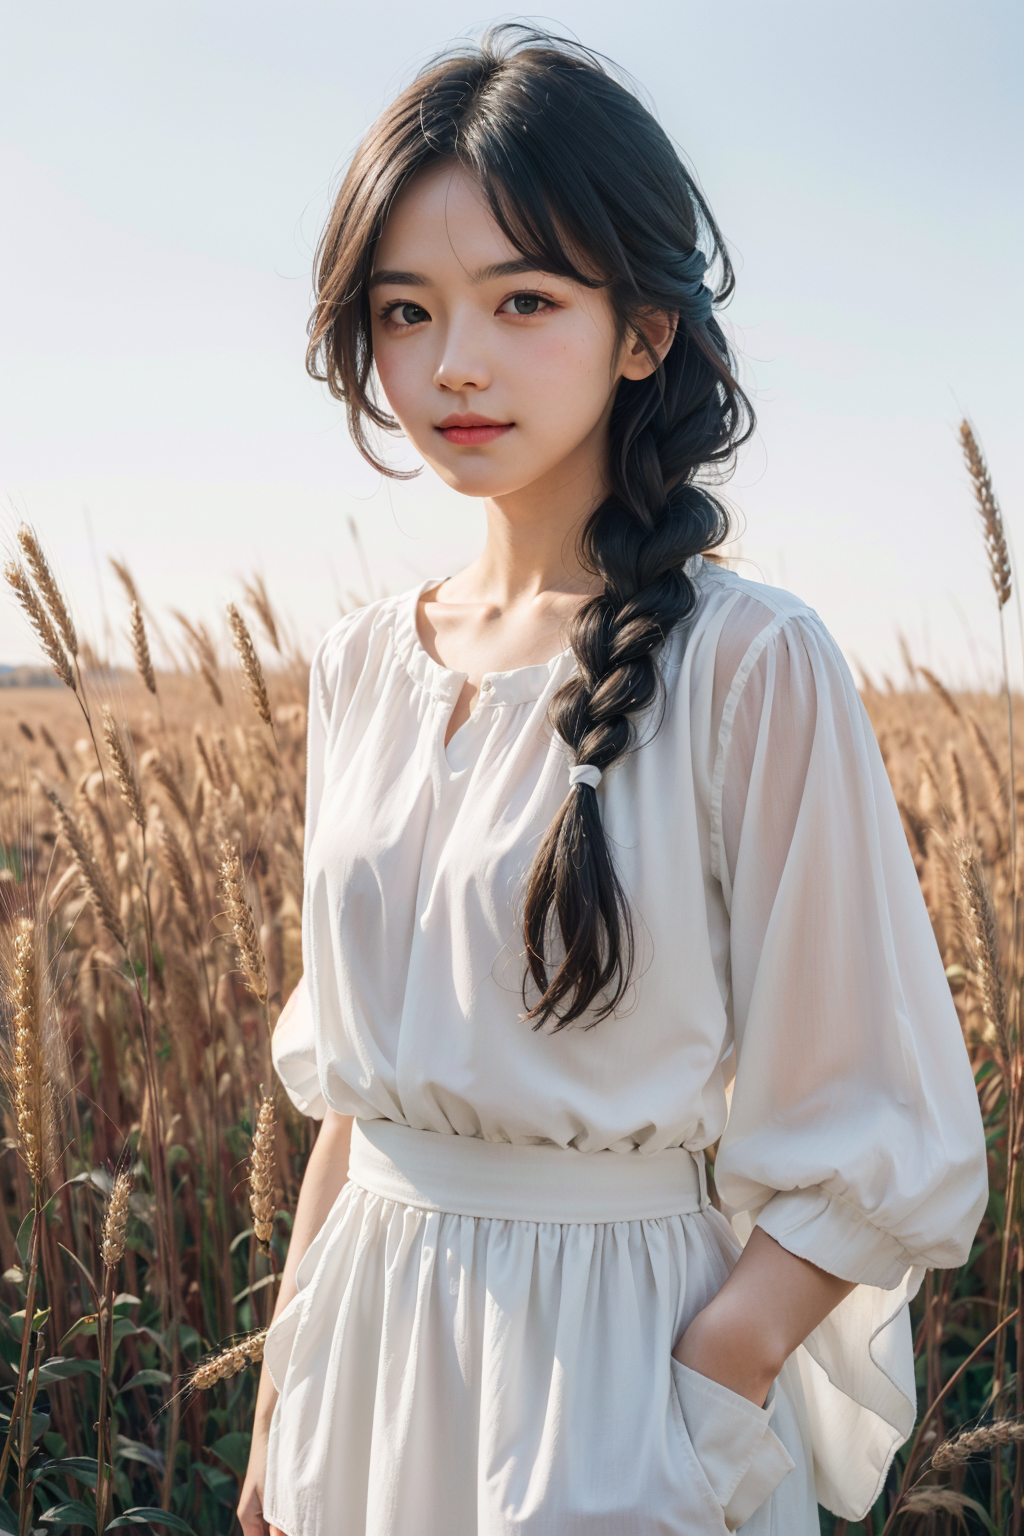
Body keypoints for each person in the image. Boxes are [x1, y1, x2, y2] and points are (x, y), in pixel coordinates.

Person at [238, 27, 987, 1536]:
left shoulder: (750, 665)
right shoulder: (362, 666)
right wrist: (283, 1394)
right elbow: (355, 1096)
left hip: (614, 1377)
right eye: (406, 310)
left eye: (524, 300)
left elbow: (885, 1119)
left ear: (643, 330)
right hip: (365, 1353)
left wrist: (712, 1378)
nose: (453, 362)